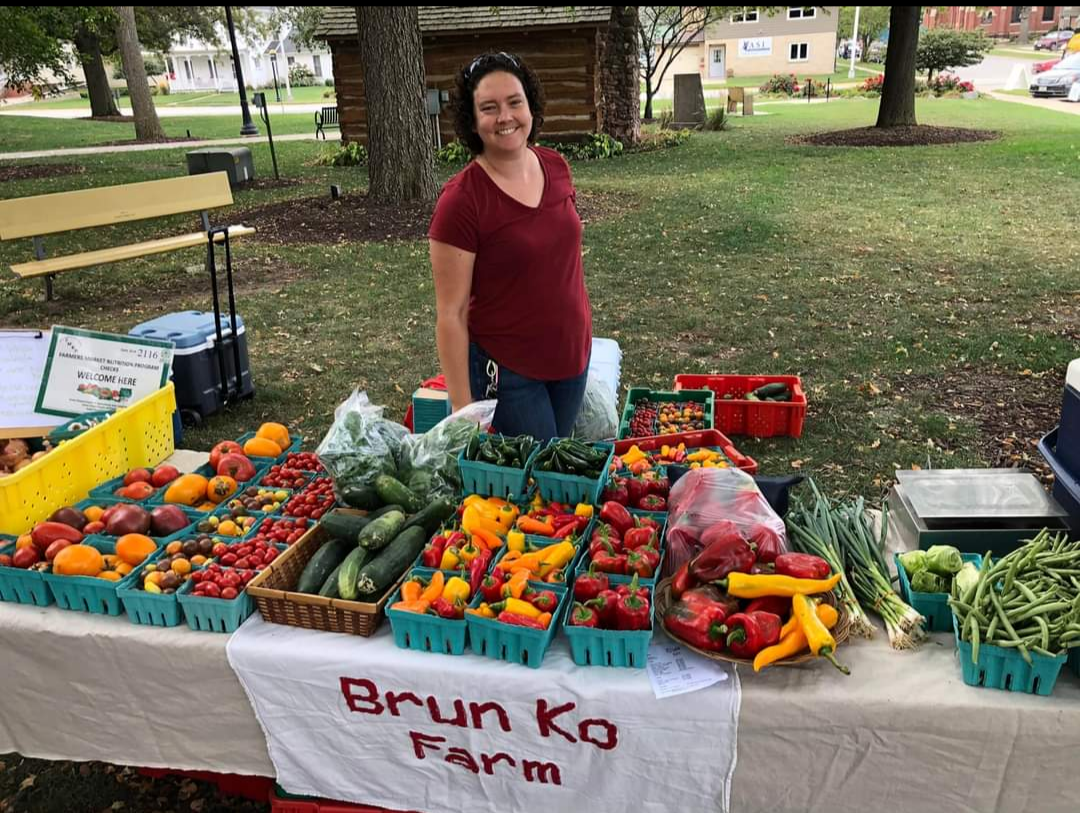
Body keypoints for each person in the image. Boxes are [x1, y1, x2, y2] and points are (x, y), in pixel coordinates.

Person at [428, 51, 592, 441]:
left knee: (557, 470)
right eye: (489, 107)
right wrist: (463, 410)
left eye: (514, 102)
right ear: (472, 120)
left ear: (530, 106)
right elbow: (450, 315)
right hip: (511, 374)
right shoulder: (462, 201)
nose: (505, 117)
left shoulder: (555, 166)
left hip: (573, 358)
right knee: (536, 483)